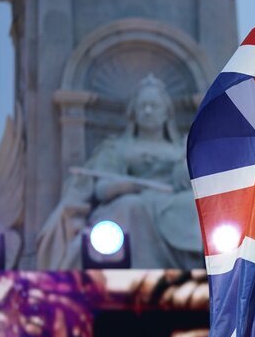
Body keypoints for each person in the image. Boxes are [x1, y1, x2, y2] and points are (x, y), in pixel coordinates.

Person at [37, 74, 202, 269]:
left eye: (154, 106)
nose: (148, 111)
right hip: (133, 200)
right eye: (143, 106)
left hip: (174, 201)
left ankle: (198, 265)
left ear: (167, 113)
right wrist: (124, 186)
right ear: (133, 113)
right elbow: (101, 188)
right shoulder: (117, 148)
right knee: (132, 207)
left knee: (194, 206)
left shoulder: (183, 149)